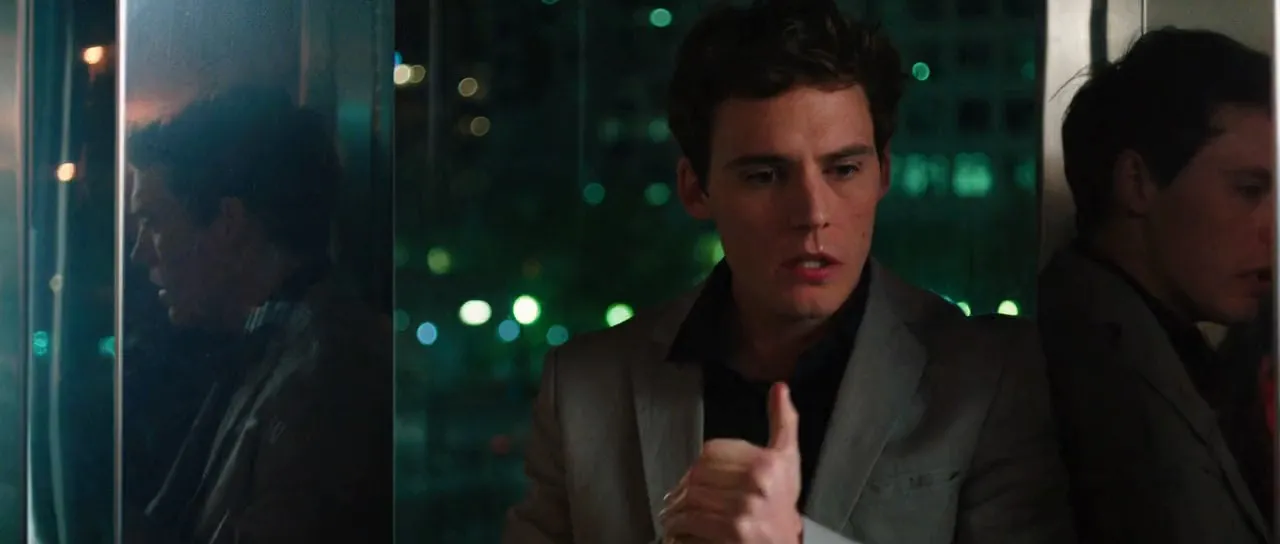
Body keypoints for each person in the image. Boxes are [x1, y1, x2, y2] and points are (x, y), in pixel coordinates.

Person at [504, 1, 1075, 542]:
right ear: (696, 189)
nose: (812, 213)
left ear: (882, 174)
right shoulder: (585, 388)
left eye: (843, 169)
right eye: (765, 176)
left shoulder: (987, 379)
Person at [124, 87, 392, 543]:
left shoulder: (325, 377)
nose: (140, 253)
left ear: (228, 223)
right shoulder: (276, 349)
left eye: (153, 222)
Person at [1039, 28, 1274, 543]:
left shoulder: (1183, 356)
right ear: (1137, 183)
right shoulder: (1078, 375)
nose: (1272, 228)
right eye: (1248, 190)